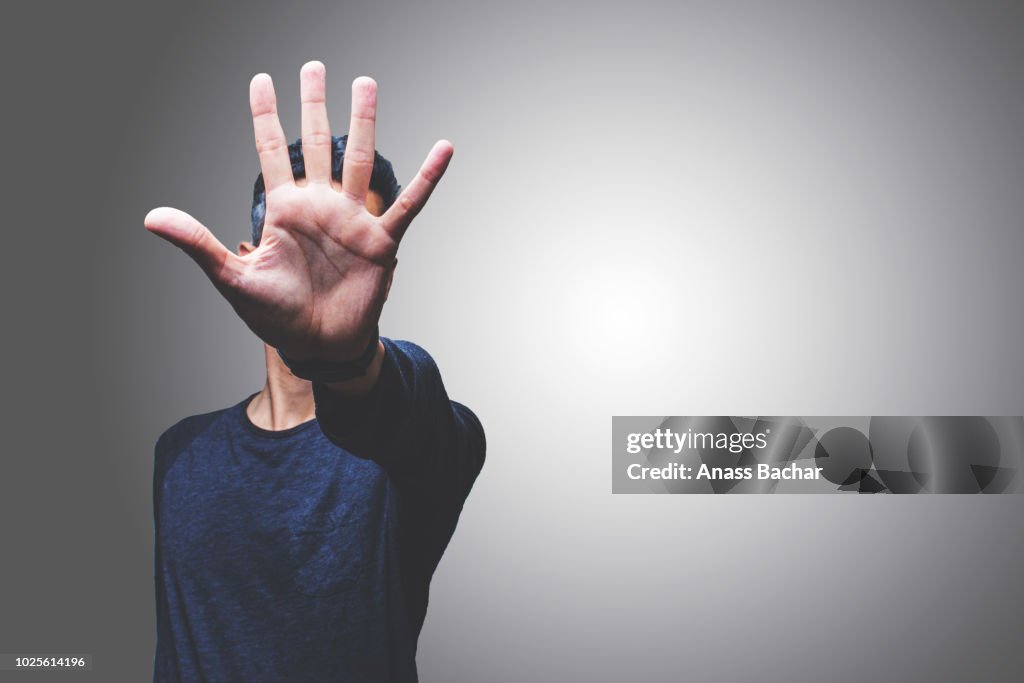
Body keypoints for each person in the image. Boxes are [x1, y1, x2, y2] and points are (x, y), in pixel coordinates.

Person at [144, 61, 486, 682]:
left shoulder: (416, 447)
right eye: (300, 248)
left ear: (381, 274)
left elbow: (408, 412)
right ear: (249, 261)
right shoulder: (179, 453)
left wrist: (339, 358)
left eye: (350, 247)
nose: (324, 264)